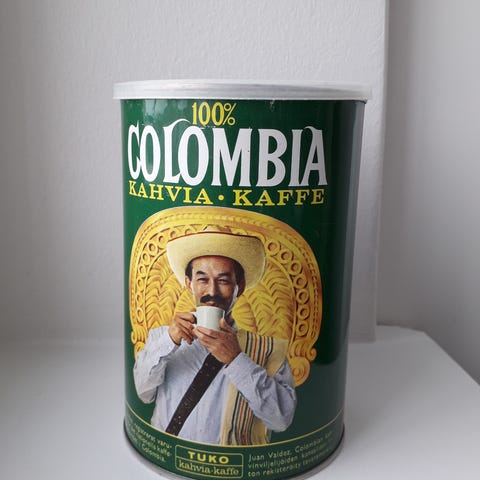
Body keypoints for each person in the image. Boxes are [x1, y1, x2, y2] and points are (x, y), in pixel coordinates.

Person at [133, 225, 296, 445]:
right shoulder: (162, 337)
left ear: (239, 286)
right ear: (189, 284)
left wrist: (237, 360)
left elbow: (281, 420)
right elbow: (143, 393)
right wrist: (169, 341)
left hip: (234, 464)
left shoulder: (267, 350)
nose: (212, 291)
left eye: (223, 280)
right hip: (168, 452)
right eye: (202, 279)